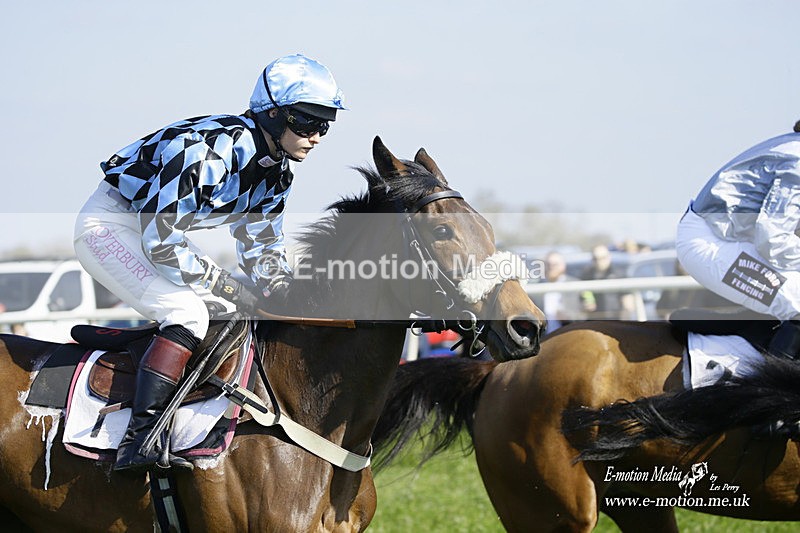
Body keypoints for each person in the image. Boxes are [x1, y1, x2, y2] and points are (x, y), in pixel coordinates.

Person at [73, 54, 346, 472]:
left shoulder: (276, 175)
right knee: (186, 312)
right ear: (273, 115)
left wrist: (288, 295)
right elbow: (161, 241)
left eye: (325, 124)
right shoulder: (208, 152)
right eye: (308, 122)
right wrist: (227, 284)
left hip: (149, 236)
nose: (317, 136)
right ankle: (139, 439)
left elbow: (262, 250)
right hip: (109, 228)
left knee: (234, 311)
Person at [676, 121, 800, 436]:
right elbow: (773, 238)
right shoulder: (797, 158)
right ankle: (774, 409)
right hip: (709, 242)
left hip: (728, 238)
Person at [541, 251, 584, 333]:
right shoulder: (535, 287)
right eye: (548, 264)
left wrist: (568, 317)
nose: (551, 267)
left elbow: (585, 314)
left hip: (568, 335)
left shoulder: (576, 285)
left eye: (555, 265)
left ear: (563, 266)